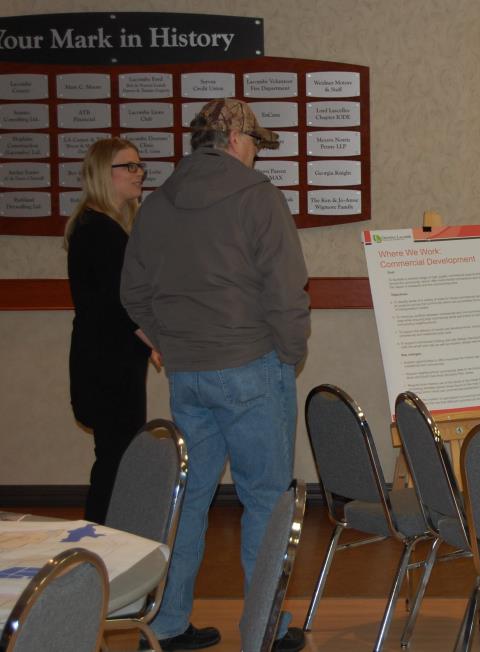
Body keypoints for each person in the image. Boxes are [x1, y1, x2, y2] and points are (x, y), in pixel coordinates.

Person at [121, 98, 310, 652]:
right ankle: (263, 631)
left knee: (190, 499)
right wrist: (289, 354)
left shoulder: (157, 204)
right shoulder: (257, 197)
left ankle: (166, 623)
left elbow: (132, 292)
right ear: (233, 139)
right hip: (252, 366)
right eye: (254, 143)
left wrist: (170, 342)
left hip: (188, 376)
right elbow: (286, 291)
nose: (255, 154)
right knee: (265, 499)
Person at [66, 137, 159, 525]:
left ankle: (108, 538)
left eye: (140, 166)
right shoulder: (97, 230)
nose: (139, 174)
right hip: (105, 365)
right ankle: (99, 541)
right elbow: (117, 305)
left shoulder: (112, 227)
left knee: (119, 454)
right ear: (105, 174)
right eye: (130, 167)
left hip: (114, 361)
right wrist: (157, 342)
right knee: (115, 458)